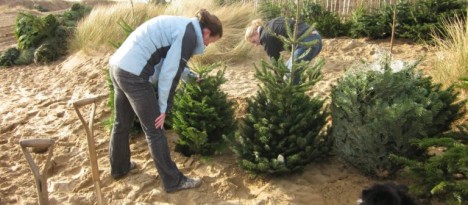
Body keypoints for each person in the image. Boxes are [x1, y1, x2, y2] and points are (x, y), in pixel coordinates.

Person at [108, 9, 223, 193]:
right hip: (134, 75)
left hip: (118, 66)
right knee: (155, 129)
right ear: (207, 32)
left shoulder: (182, 25)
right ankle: (173, 181)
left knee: (121, 122)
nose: (208, 45)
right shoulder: (189, 34)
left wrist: (191, 78)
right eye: (211, 41)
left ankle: (119, 167)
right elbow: (169, 74)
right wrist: (163, 108)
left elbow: (169, 61)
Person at [245, 17, 322, 84]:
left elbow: (275, 61)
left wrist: (278, 82)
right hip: (316, 38)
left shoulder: (265, 37)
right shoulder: (271, 24)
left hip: (307, 42)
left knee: (290, 74)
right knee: (287, 70)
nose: (256, 45)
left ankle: (291, 97)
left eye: (254, 41)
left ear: (255, 33)